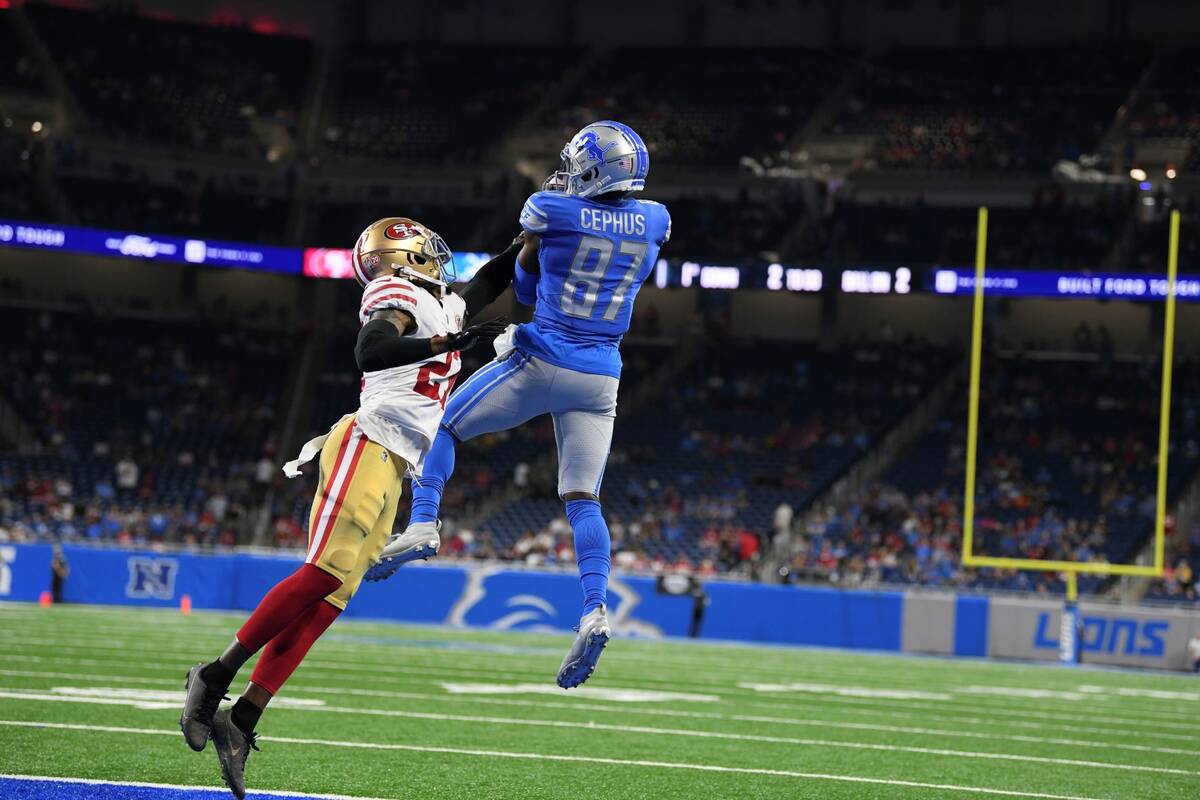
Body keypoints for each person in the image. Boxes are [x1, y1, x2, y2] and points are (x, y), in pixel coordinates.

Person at [179, 217, 516, 799]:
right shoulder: (398, 293)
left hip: (399, 462)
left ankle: (243, 719)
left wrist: (533, 233)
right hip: (368, 440)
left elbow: (490, 278)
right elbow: (371, 349)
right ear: (406, 256)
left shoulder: (445, 303)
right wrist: (441, 345)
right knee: (324, 573)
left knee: (332, 599)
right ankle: (213, 676)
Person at [366, 120, 670, 690]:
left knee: (443, 430)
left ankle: (425, 523)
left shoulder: (549, 210)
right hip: (602, 376)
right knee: (583, 501)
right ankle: (595, 607)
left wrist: (534, 280)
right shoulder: (656, 221)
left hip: (544, 354)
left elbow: (524, 281)